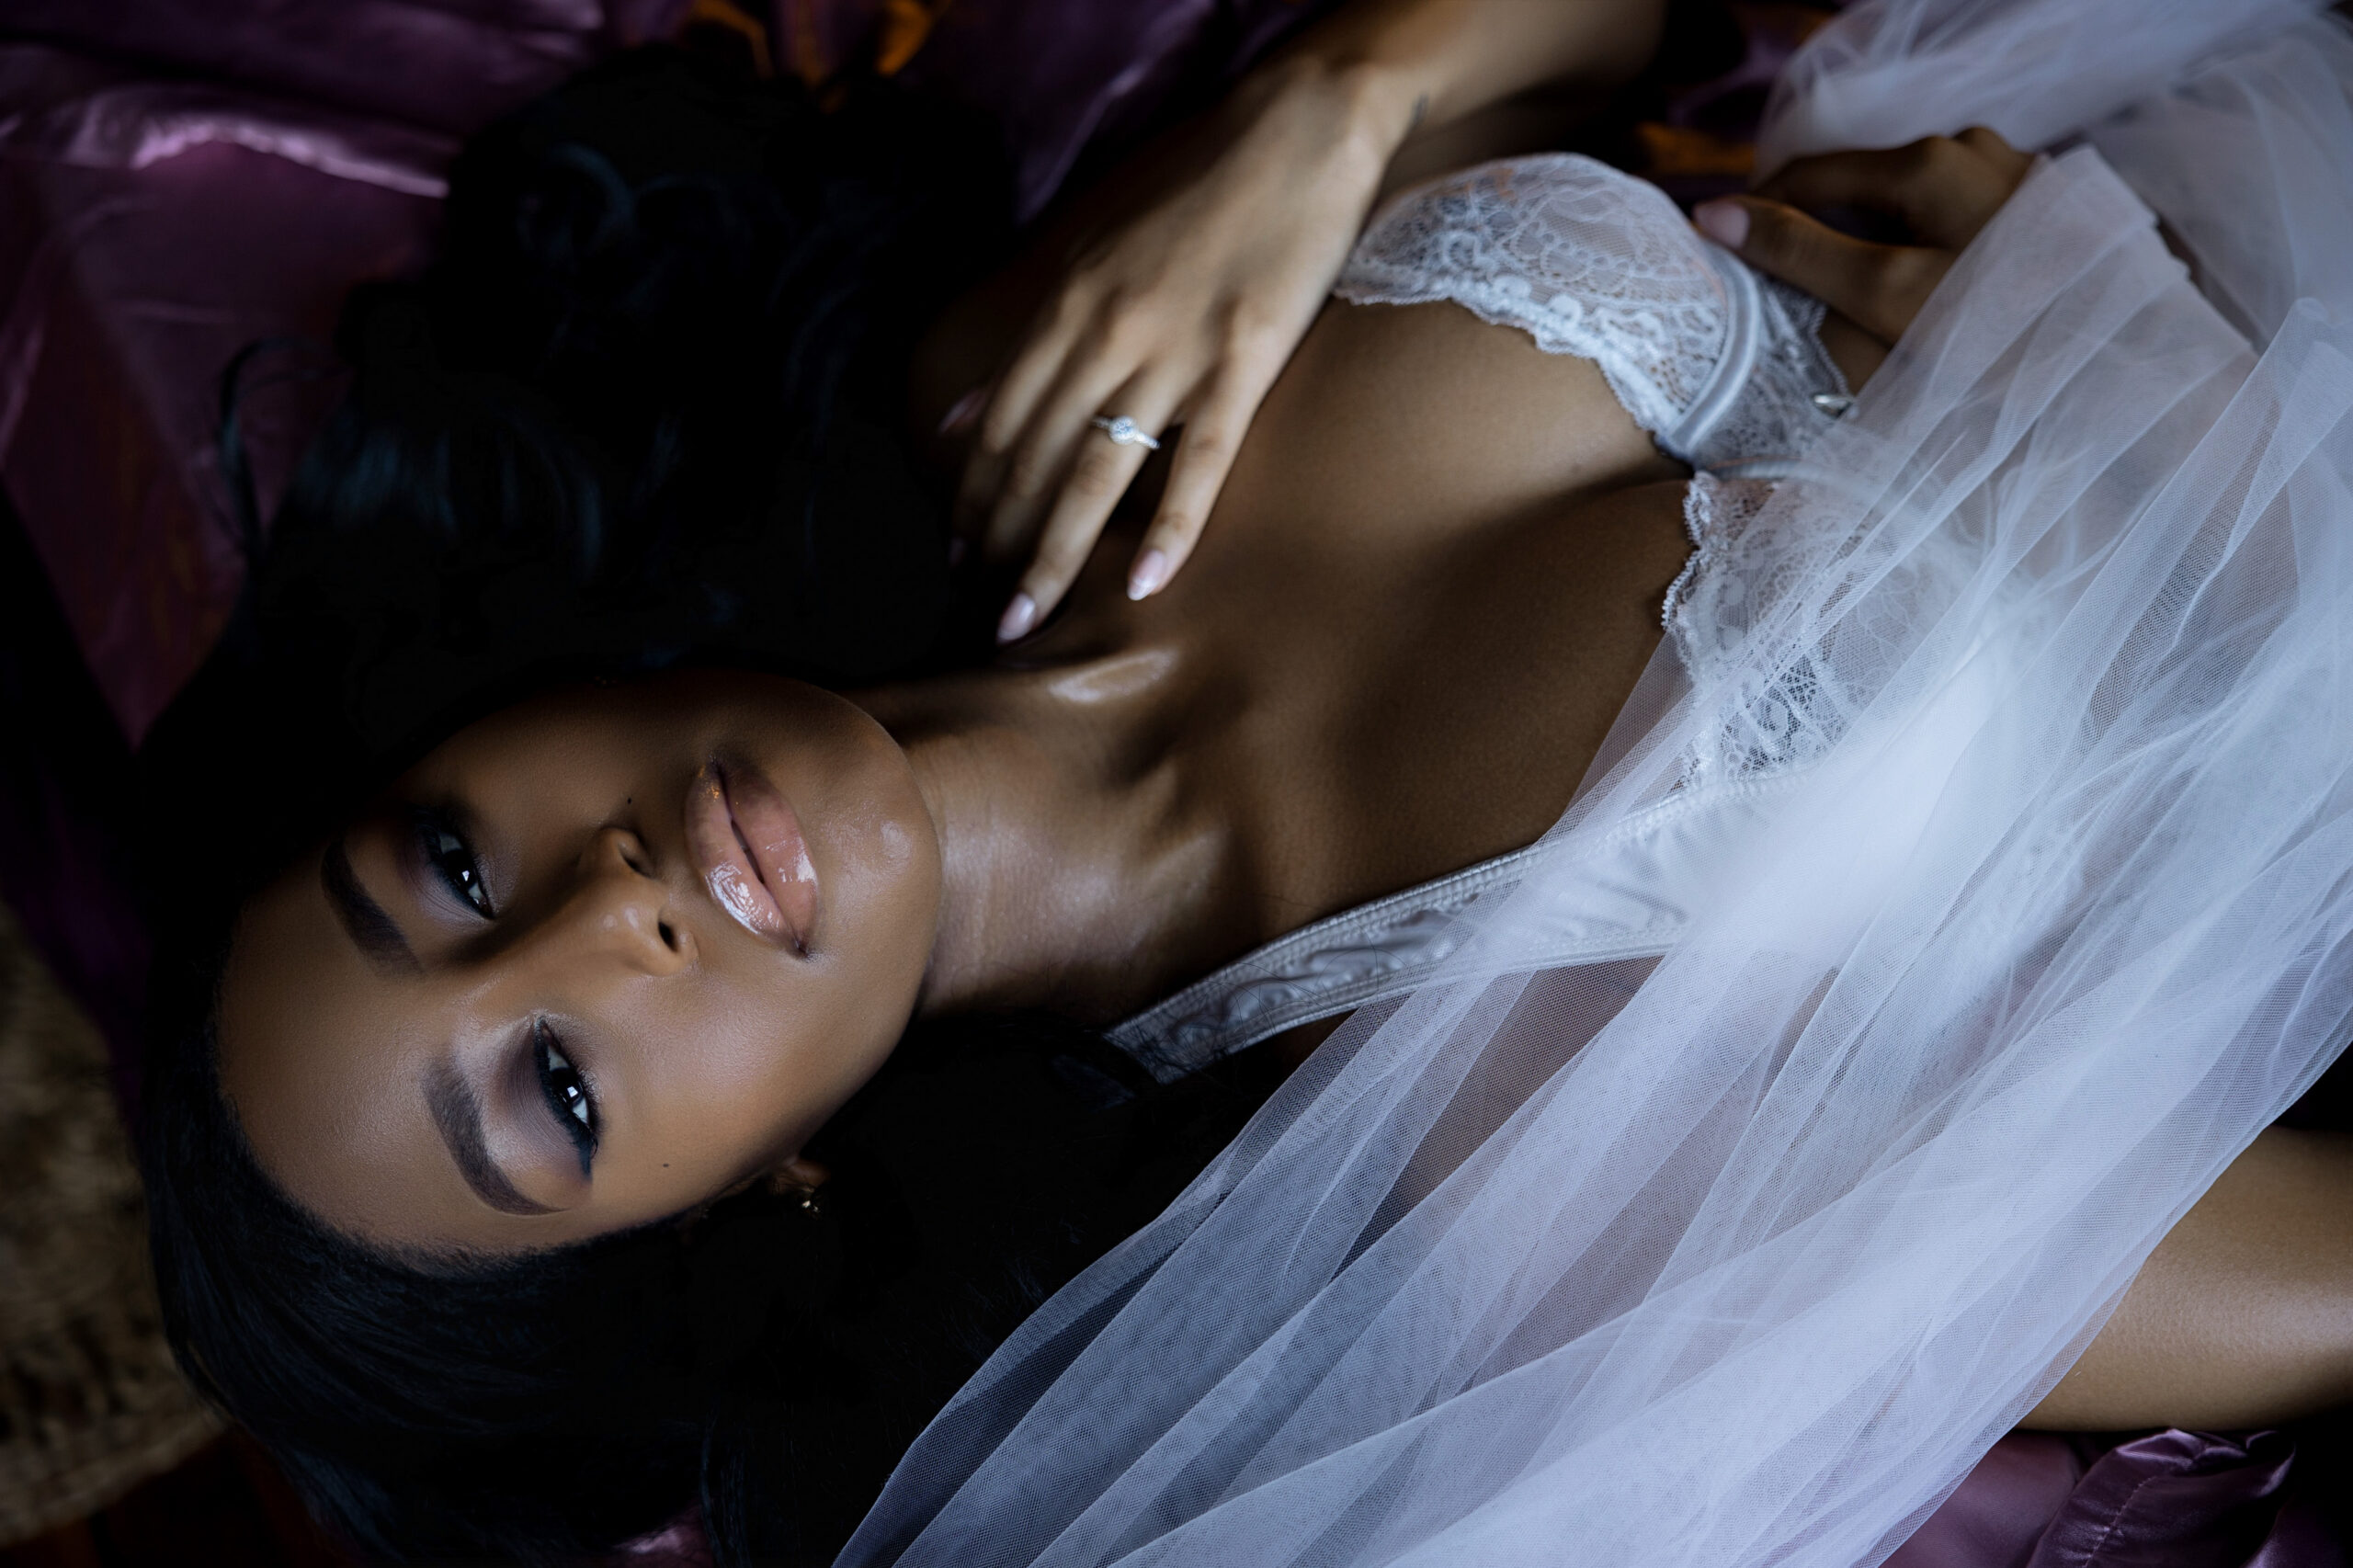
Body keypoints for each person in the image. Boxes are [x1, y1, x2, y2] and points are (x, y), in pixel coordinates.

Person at [136, 0, 2353, 1563]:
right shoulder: (1475, 1129)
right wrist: (2176, 439)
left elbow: (1600, 24)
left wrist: (1329, 97)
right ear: (747, 1202)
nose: (597, 905)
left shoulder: (989, 388)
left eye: (441, 860)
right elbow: (2325, 1278)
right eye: (562, 1090)